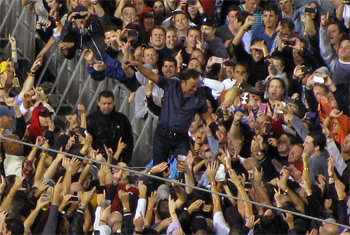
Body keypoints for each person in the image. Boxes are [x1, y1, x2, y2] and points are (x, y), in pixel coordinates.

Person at [126, 61, 223, 164]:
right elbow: (151, 75)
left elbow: (207, 116)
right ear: (183, 82)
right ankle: (159, 180)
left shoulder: (200, 95)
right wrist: (138, 65)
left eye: (197, 86)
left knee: (183, 166)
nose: (195, 89)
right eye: (192, 86)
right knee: (159, 166)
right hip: (162, 135)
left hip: (181, 138)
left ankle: (181, 178)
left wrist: (215, 129)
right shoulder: (170, 84)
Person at [87, 90, 134, 164]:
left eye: (109, 103)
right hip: (96, 159)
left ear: (113, 103)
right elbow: (85, 138)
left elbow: (129, 142)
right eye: (104, 103)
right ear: (98, 103)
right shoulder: (91, 119)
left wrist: (125, 162)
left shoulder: (122, 119)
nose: (106, 106)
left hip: (117, 160)